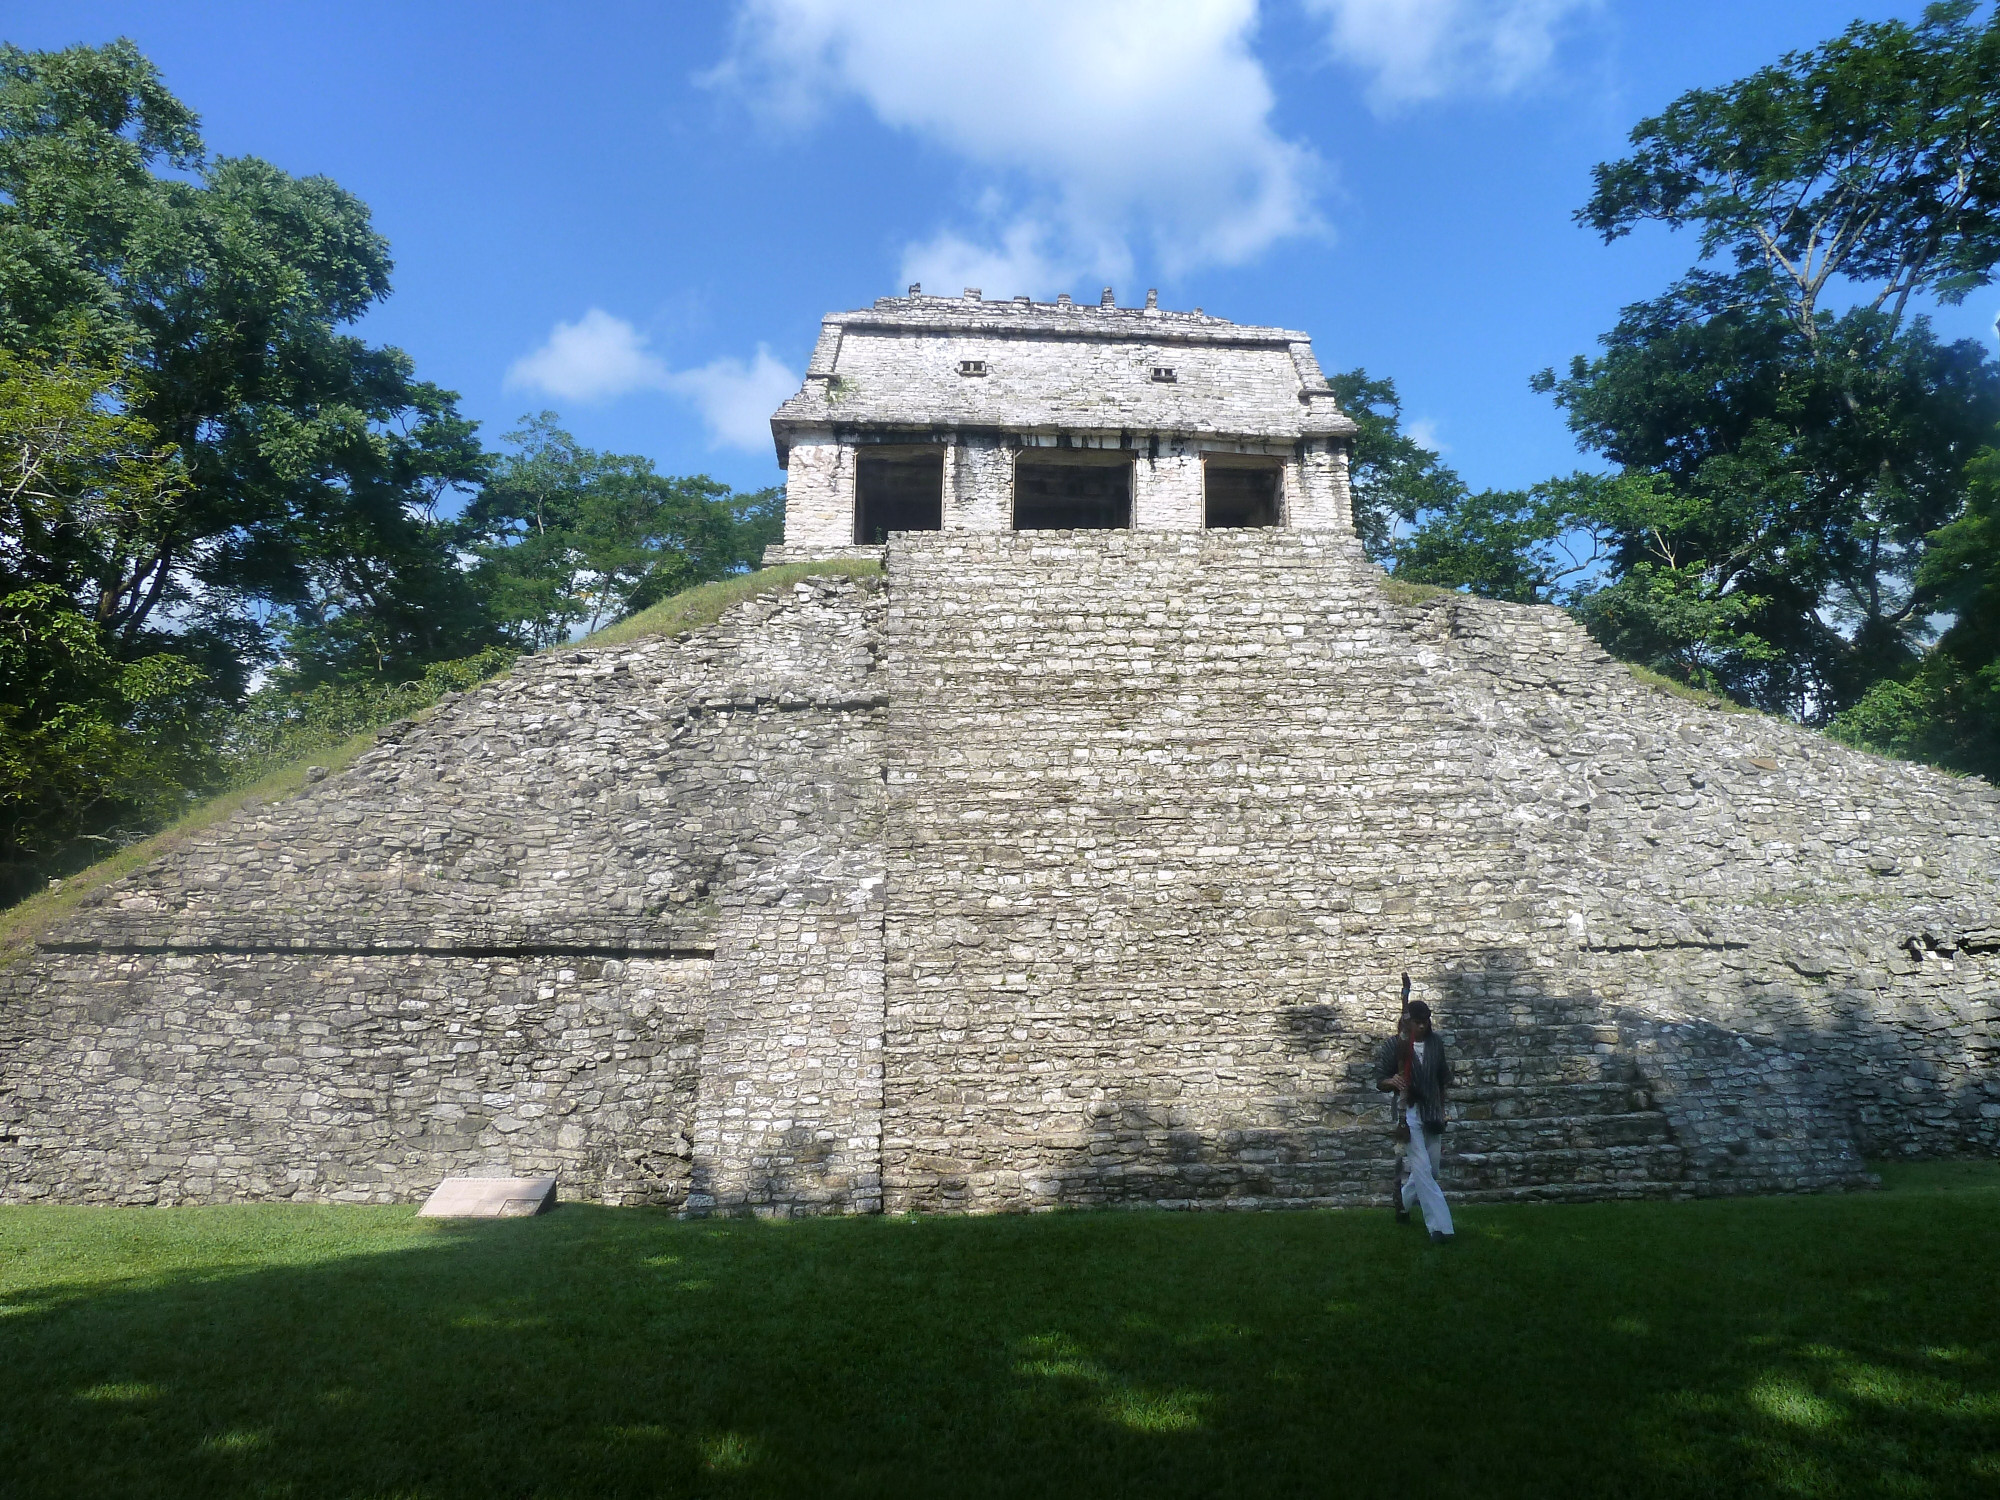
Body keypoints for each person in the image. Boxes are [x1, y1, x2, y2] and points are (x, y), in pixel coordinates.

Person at [1375, 982, 1454, 1243]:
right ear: (1408, 1022)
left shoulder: (1436, 1044)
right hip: (1406, 1114)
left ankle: (1403, 1204)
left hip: (1432, 1111)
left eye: (1426, 1021)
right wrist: (1393, 1081)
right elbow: (1380, 1079)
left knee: (1431, 1171)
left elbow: (1443, 1078)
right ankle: (1440, 1227)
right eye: (1418, 1021)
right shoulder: (1393, 1046)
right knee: (1420, 1168)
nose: (1423, 1026)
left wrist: (1444, 1109)